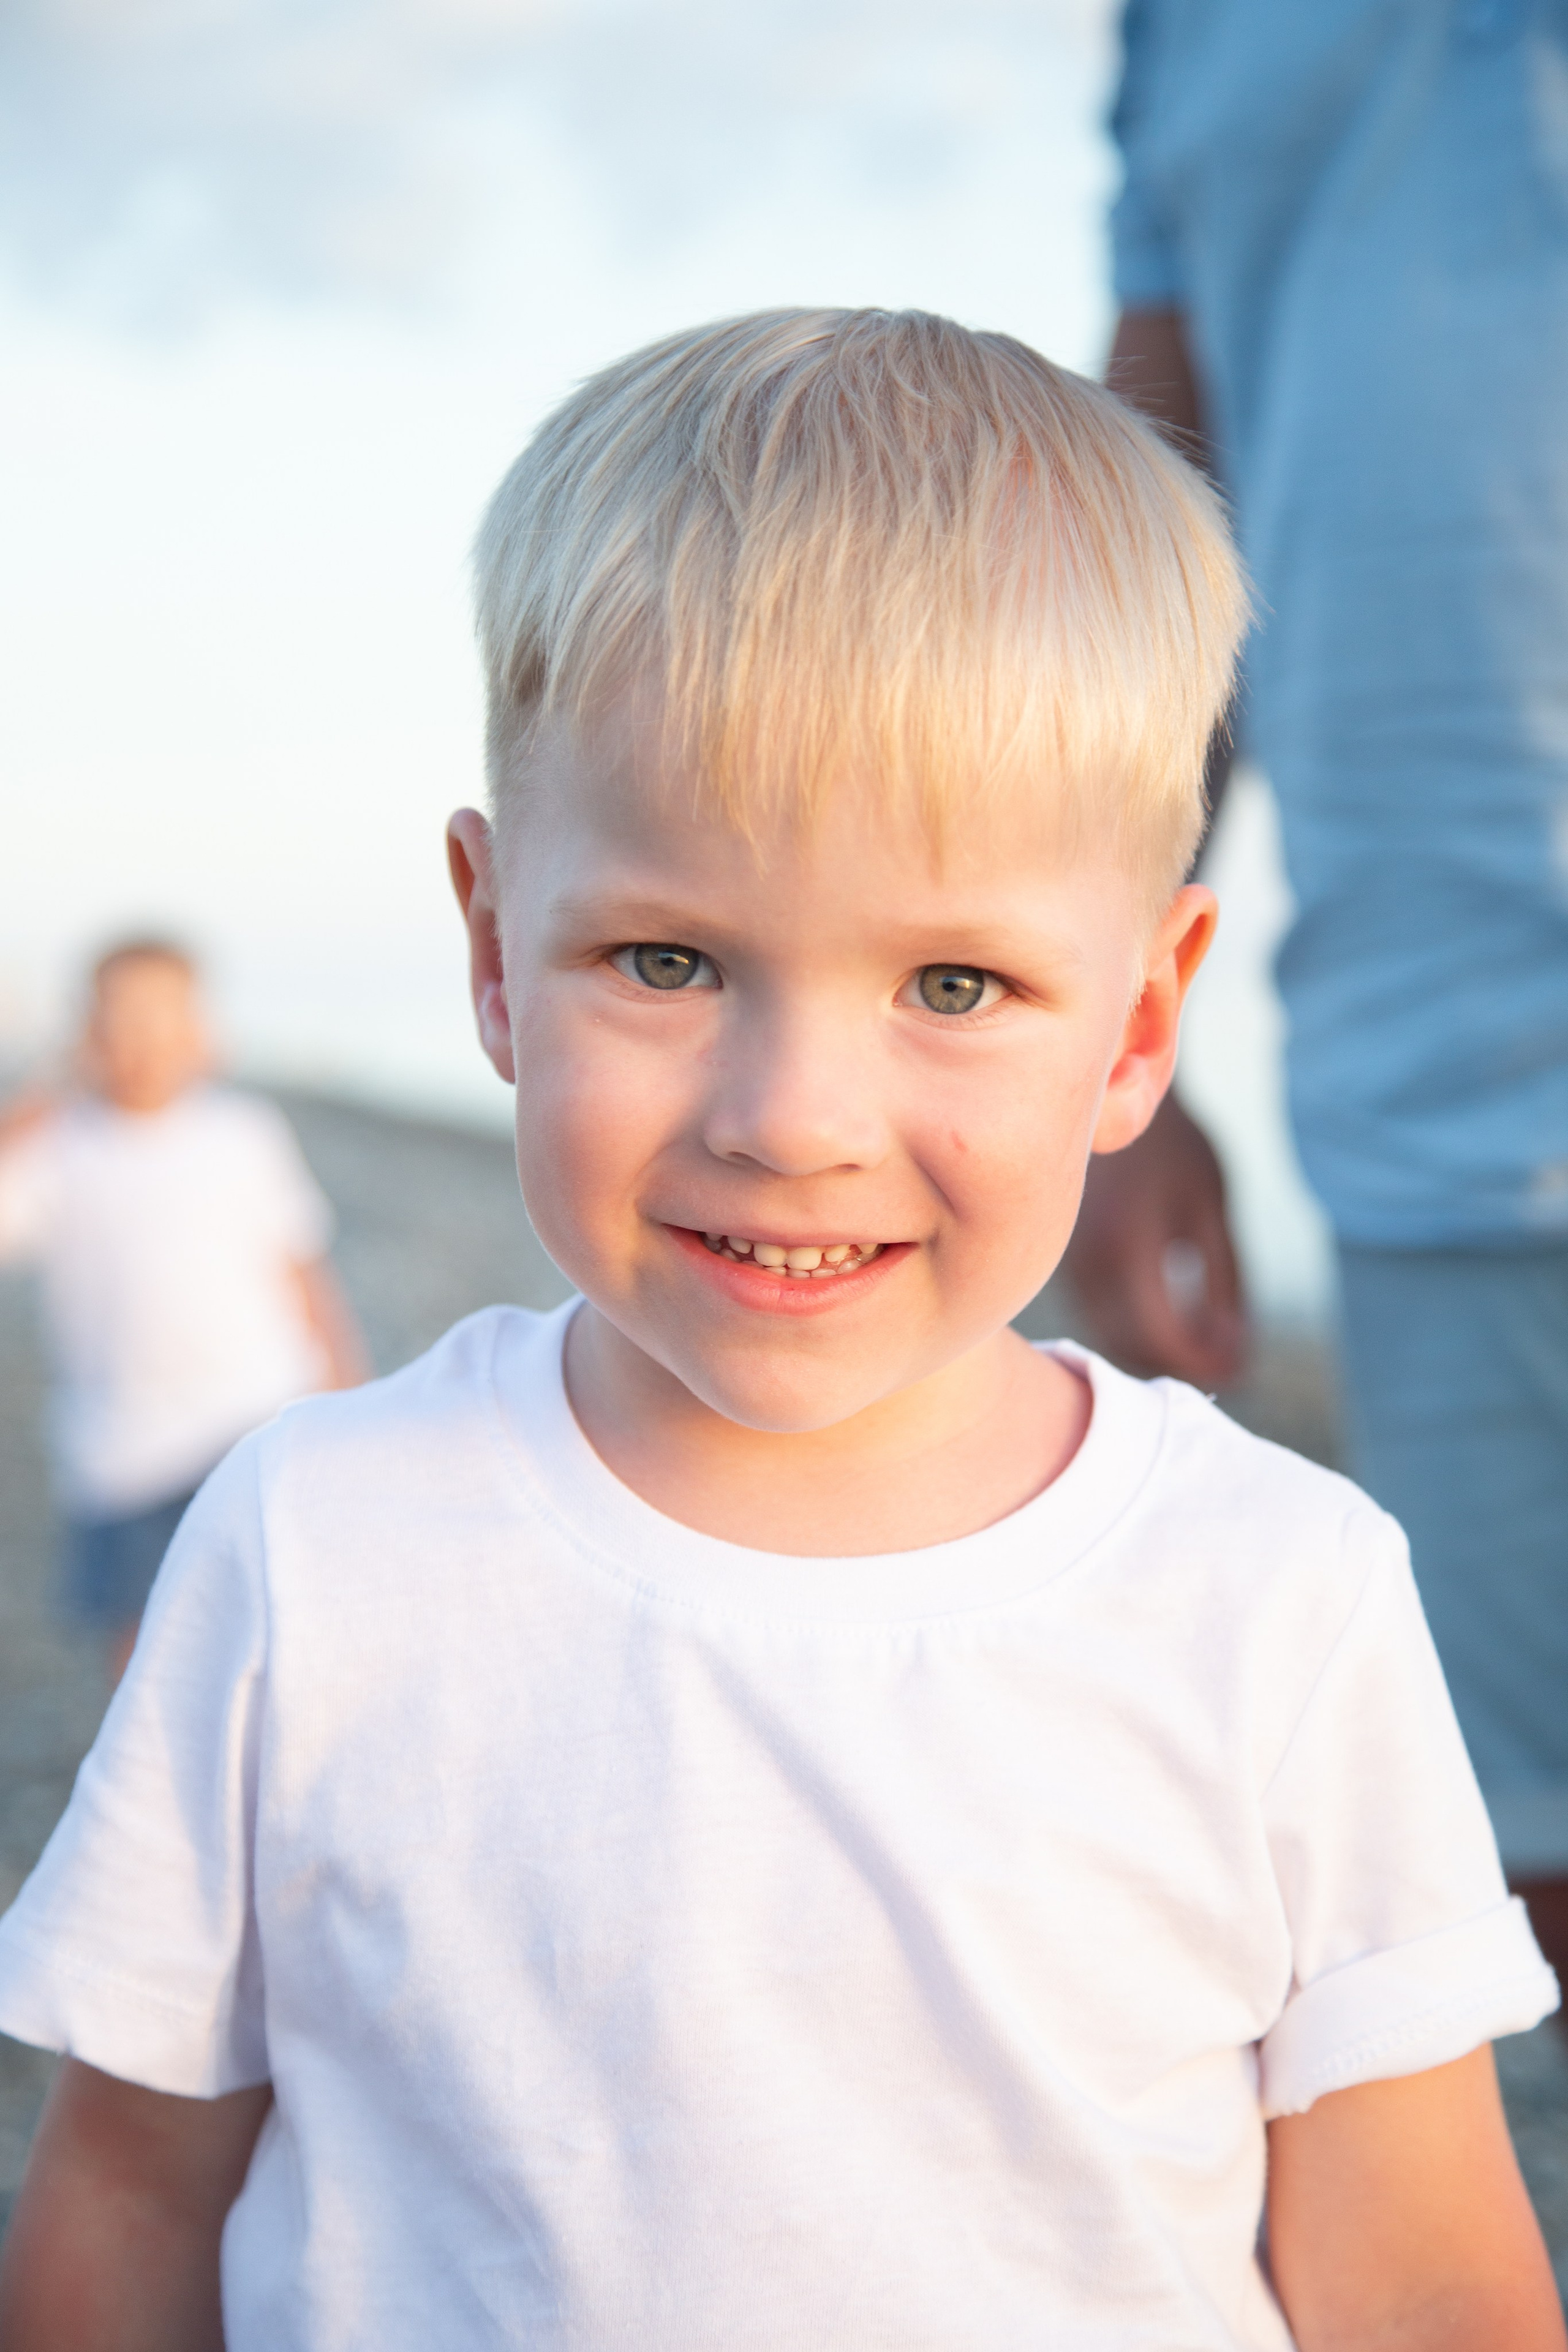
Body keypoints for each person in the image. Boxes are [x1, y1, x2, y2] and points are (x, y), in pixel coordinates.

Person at [0, 312, 1561, 2350]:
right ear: (491, 952)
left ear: (1147, 1022)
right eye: (669, 957)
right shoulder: (318, 1545)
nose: (790, 1120)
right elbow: (125, 2194)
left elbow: (1423, 2273)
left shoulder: (1278, 1597)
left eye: (955, 985)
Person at [1066, 1, 1568, 1991]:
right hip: (1416, 1076)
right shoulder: (1177, 24)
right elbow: (1156, 529)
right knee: (1518, 1873)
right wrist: (1111, 1038)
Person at [0, 937, 366, 1678]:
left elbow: (302, 1267)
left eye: (166, 1020)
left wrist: (350, 1387)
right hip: (119, 1452)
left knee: (273, 1613)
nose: (145, 1041)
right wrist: (46, 1090)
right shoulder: (60, 1148)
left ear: (204, 1033)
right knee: (140, 1642)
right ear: (87, 1033)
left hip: (257, 1414)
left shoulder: (243, 1133)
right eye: (122, 1020)